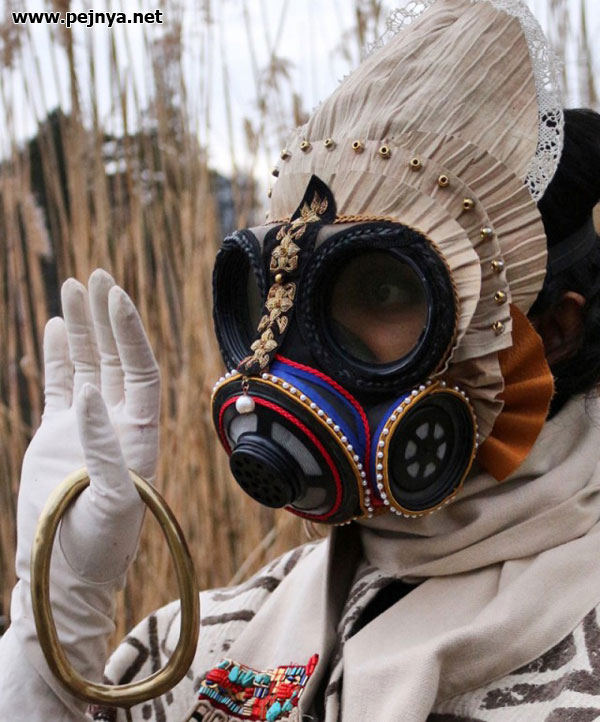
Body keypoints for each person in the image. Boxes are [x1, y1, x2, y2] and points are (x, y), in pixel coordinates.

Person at [2, 0, 600, 720]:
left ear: (552, 331)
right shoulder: (202, 651)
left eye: (383, 289)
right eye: (276, 294)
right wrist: (55, 621)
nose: (295, 349)